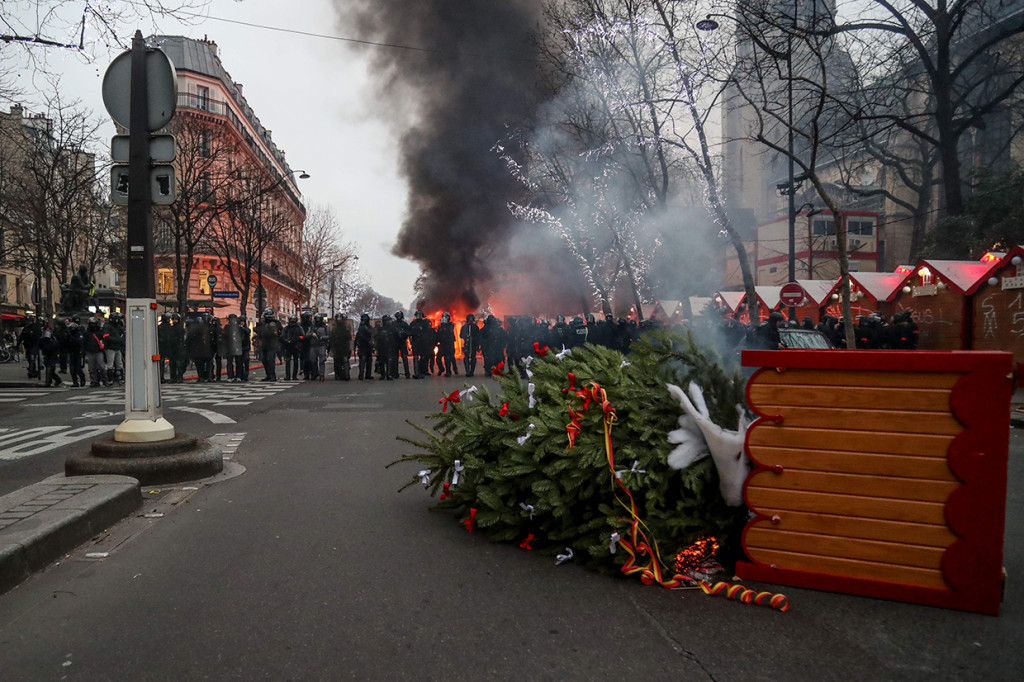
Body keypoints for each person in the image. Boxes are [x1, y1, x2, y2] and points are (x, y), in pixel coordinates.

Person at [256, 308, 283, 381]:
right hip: (264, 344)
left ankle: (272, 376)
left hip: (272, 344)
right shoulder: (262, 323)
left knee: (270, 360)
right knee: (264, 360)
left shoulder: (276, 323)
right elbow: (259, 332)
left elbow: (280, 332)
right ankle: (268, 375)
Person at [409, 310, 434, 379]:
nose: (419, 316)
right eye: (417, 315)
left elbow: (429, 332)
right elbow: (409, 333)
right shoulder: (413, 324)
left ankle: (424, 371)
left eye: (420, 315)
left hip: (424, 343)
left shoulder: (425, 323)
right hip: (415, 343)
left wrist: (428, 341)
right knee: (416, 358)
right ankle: (417, 373)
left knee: (424, 357)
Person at [102, 312, 125, 386]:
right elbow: (106, 337)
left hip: (117, 347)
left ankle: (120, 378)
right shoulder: (107, 326)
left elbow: (122, 333)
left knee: (119, 363)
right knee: (110, 364)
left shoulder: (117, 326)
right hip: (110, 347)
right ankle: (110, 379)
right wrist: (117, 340)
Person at [83, 316, 107, 387]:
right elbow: (84, 342)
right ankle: (94, 381)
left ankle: (104, 380)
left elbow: (103, 340)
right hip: (90, 351)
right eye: (91, 324)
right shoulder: (87, 333)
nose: (93, 325)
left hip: (98, 351)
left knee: (101, 366)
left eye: (94, 324)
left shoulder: (99, 332)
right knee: (91, 367)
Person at [330, 313, 352, 380]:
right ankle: (338, 374)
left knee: (345, 361)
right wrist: (332, 348)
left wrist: (350, 347)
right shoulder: (334, 329)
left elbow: (349, 338)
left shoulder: (346, 328)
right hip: (337, 347)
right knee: (337, 362)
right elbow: (332, 339)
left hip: (344, 346)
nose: (339, 320)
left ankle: (346, 374)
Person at [19, 312, 41, 378]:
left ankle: (32, 370)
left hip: (29, 345)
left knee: (31, 358)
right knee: (32, 358)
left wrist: (18, 343)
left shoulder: (27, 328)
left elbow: (21, 336)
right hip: (32, 345)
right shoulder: (34, 327)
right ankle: (32, 371)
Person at [308, 312, 329, 380]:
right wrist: (311, 334)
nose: (317, 320)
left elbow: (329, 336)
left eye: (319, 319)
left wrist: (322, 338)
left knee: (322, 361)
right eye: (316, 318)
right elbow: (307, 334)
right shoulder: (312, 327)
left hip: (321, 345)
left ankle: (321, 375)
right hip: (313, 345)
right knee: (313, 360)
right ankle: (315, 373)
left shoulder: (325, 327)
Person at [436, 312, 457, 376]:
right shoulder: (440, 327)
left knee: (448, 358)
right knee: (438, 358)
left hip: (449, 345)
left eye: (446, 317)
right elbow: (438, 335)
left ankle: (449, 371)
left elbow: (449, 333)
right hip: (442, 345)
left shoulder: (450, 326)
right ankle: (441, 368)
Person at [224, 314, 244, 381]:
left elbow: (242, 336)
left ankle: (237, 376)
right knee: (230, 363)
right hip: (230, 346)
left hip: (236, 346)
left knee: (238, 362)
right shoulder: (227, 327)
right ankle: (231, 376)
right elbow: (224, 336)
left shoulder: (239, 327)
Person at [66, 321, 86, 388]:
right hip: (71, 353)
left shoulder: (79, 335)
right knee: (72, 368)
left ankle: (82, 378)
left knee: (78, 368)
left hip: (78, 353)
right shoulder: (68, 335)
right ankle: (75, 381)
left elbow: (79, 342)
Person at [355, 313, 375, 380]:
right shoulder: (362, 328)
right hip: (363, 345)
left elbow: (372, 334)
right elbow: (359, 336)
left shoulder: (365, 327)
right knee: (364, 360)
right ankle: (362, 375)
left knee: (366, 360)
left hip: (366, 346)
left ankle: (365, 375)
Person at [282, 315, 302, 381]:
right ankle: (292, 376)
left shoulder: (288, 328)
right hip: (291, 346)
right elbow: (282, 336)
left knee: (290, 361)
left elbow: (302, 336)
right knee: (293, 361)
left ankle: (290, 376)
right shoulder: (297, 328)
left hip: (293, 346)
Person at [168, 312, 187, 383]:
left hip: (179, 347)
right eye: (174, 319)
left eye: (176, 319)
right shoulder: (171, 327)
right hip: (173, 348)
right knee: (172, 363)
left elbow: (183, 337)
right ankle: (173, 377)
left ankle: (179, 377)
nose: (175, 321)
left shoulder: (181, 328)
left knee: (179, 364)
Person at [394, 310, 412, 378]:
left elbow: (409, 332)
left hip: (402, 343)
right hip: (395, 343)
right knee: (395, 359)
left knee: (404, 358)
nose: (399, 317)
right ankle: (395, 373)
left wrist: (404, 334)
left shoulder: (404, 324)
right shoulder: (393, 324)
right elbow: (391, 332)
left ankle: (407, 373)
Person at [299, 311, 314, 380]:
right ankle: (308, 373)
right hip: (306, 343)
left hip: (307, 343)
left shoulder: (302, 325)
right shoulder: (309, 325)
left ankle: (308, 373)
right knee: (307, 359)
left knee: (307, 359)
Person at [158, 313, 172, 383]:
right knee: (171, 361)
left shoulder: (159, 327)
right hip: (168, 346)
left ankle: (161, 377)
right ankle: (173, 377)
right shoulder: (170, 327)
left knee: (161, 362)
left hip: (162, 346)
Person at [237, 317, 251, 381]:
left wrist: (242, 328)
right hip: (240, 347)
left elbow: (248, 332)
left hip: (245, 347)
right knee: (239, 362)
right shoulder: (238, 329)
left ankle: (245, 375)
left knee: (246, 361)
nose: (242, 323)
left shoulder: (246, 329)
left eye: (243, 322)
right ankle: (240, 375)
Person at [209, 316, 224, 381]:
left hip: (215, 346)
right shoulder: (218, 329)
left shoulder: (216, 329)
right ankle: (215, 375)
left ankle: (215, 375)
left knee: (215, 361)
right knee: (215, 361)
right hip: (215, 346)